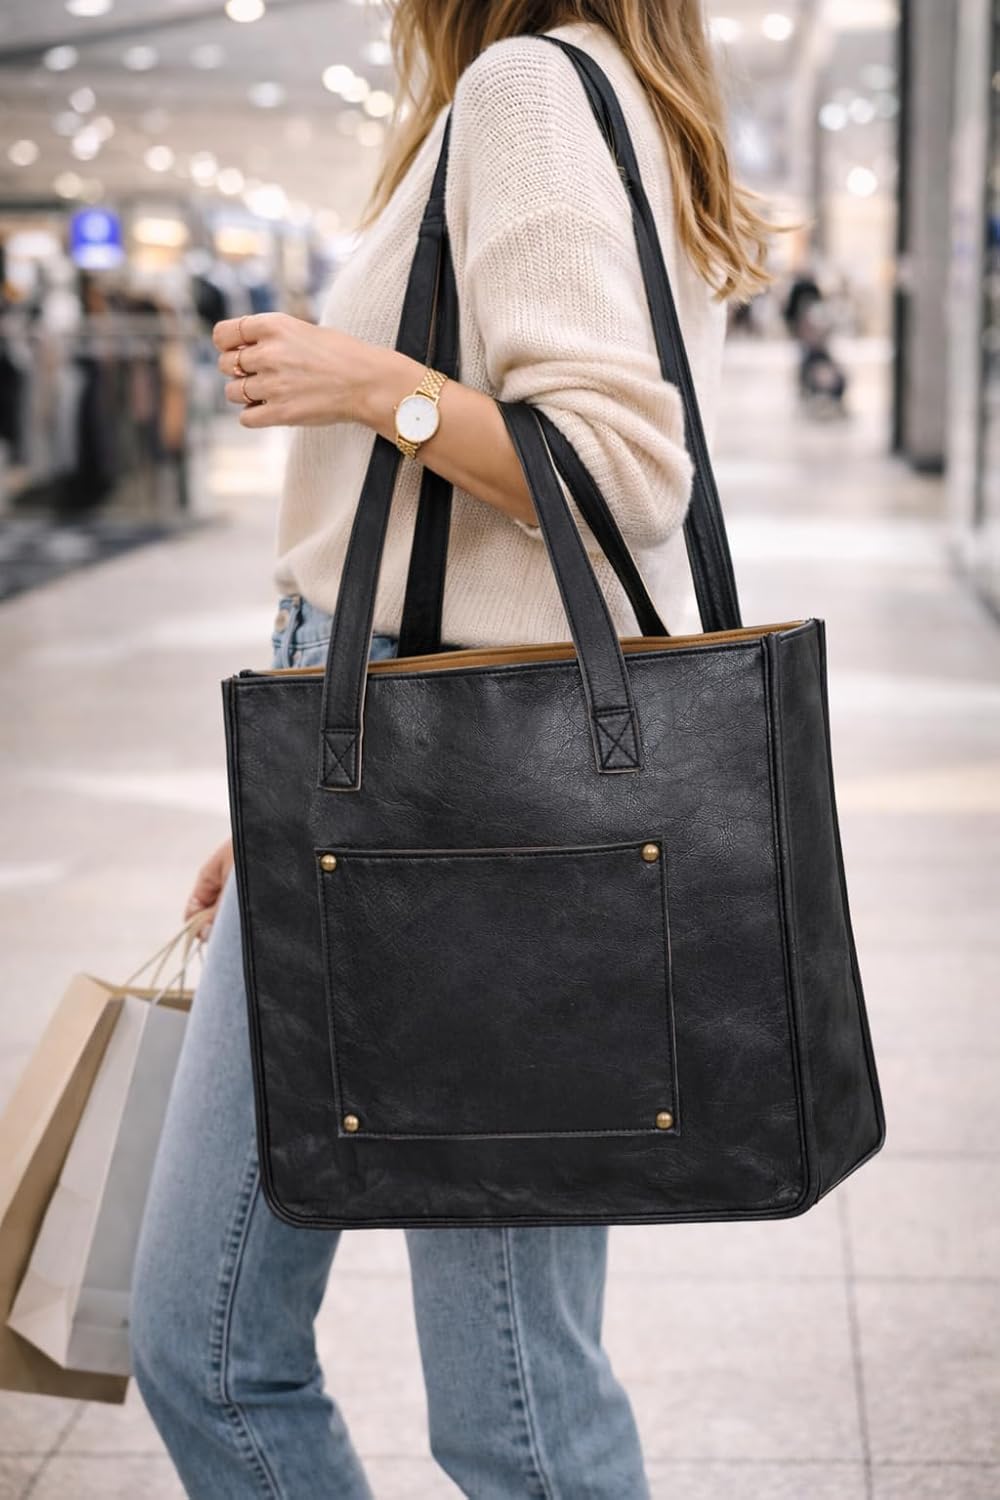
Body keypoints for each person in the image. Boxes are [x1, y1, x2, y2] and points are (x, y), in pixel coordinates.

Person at [130, 3, 772, 1495]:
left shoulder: (529, 93)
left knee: (493, 1401)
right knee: (212, 1340)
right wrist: (299, 781)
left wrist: (369, 382)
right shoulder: (595, 96)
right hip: (384, 752)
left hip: (471, 792)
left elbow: (619, 471)